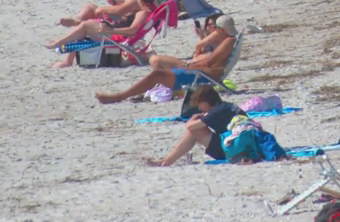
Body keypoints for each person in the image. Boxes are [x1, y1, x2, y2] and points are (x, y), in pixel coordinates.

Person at [94, 15, 239, 103]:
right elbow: (210, 62)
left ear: (221, 30)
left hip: (203, 77)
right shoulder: (228, 39)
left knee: (158, 74)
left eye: (216, 28)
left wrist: (188, 67)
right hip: (203, 74)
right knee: (159, 74)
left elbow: (209, 62)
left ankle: (119, 96)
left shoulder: (227, 41)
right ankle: (134, 93)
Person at [145, 84, 244, 166]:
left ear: (205, 102)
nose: (200, 109)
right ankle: (165, 161)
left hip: (235, 150)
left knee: (194, 132)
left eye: (199, 104)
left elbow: (190, 127)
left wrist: (192, 120)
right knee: (197, 129)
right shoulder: (225, 106)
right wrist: (203, 124)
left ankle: (166, 162)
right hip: (243, 145)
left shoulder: (216, 112)